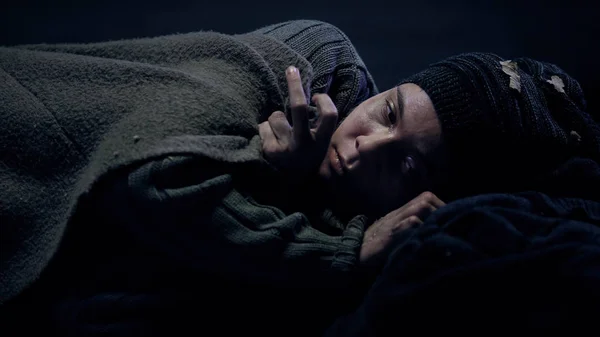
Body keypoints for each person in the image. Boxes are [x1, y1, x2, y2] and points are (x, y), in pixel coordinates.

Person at [1, 19, 599, 335]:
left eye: (406, 164)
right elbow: (153, 181)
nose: (367, 148)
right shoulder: (311, 57)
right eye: (388, 113)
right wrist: (343, 251)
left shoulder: (326, 205)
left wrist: (281, 183)